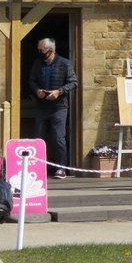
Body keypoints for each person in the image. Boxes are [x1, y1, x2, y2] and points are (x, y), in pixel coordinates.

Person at [28, 38, 79, 179]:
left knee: (58, 138)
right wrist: (37, 90)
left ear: (50, 50)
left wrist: (59, 92)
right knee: (38, 138)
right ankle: (38, 167)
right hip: (42, 106)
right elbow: (31, 81)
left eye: (42, 50)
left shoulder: (65, 63)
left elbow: (74, 82)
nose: (39, 52)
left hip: (59, 107)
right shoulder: (37, 63)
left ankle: (61, 168)